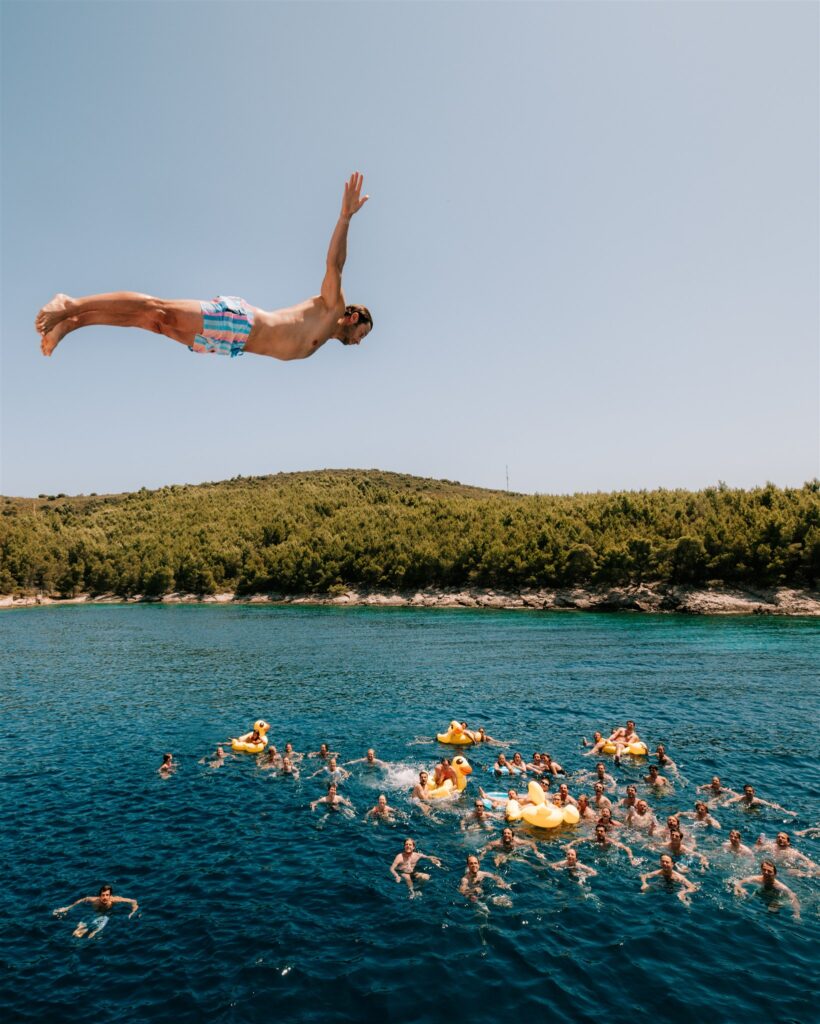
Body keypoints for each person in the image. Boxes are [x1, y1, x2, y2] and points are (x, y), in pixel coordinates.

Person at [36, 173, 373, 361]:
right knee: (159, 309)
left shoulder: (324, 338)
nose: (360, 341)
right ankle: (72, 304)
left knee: (154, 323)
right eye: (363, 333)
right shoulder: (333, 308)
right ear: (354, 318)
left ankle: (73, 323)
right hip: (241, 323)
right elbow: (334, 264)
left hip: (231, 345)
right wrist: (345, 218)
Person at [53, 884, 138, 938]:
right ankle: (81, 930)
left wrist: (132, 912)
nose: (105, 897)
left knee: (95, 930)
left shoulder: (115, 900)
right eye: (103, 895)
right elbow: (83, 899)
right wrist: (68, 908)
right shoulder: (94, 900)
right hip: (95, 913)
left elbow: (133, 901)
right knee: (77, 932)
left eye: (107, 895)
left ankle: (92, 932)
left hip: (107, 914)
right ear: (99, 895)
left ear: (110, 895)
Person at [734, 860, 801, 919]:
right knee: (748, 899)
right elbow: (739, 882)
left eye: (769, 871)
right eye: (764, 870)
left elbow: (794, 898)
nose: (766, 872)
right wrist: (739, 888)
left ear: (774, 874)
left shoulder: (780, 887)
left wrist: (797, 914)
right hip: (762, 892)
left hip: (777, 898)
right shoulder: (757, 879)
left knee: (771, 910)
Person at [566, 824, 640, 866]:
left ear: (605, 832)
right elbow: (579, 840)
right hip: (596, 855)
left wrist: (631, 860)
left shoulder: (610, 841)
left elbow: (627, 849)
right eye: (598, 831)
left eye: (601, 831)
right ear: (595, 832)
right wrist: (569, 845)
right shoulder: (593, 839)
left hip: (608, 855)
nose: (599, 832)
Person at [725, 785, 796, 816]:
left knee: (757, 813)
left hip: (754, 809)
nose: (748, 792)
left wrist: (787, 811)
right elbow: (729, 801)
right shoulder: (740, 798)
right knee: (741, 810)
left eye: (750, 791)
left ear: (753, 792)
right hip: (744, 809)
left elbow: (772, 805)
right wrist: (725, 804)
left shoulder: (757, 801)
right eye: (746, 791)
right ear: (744, 792)